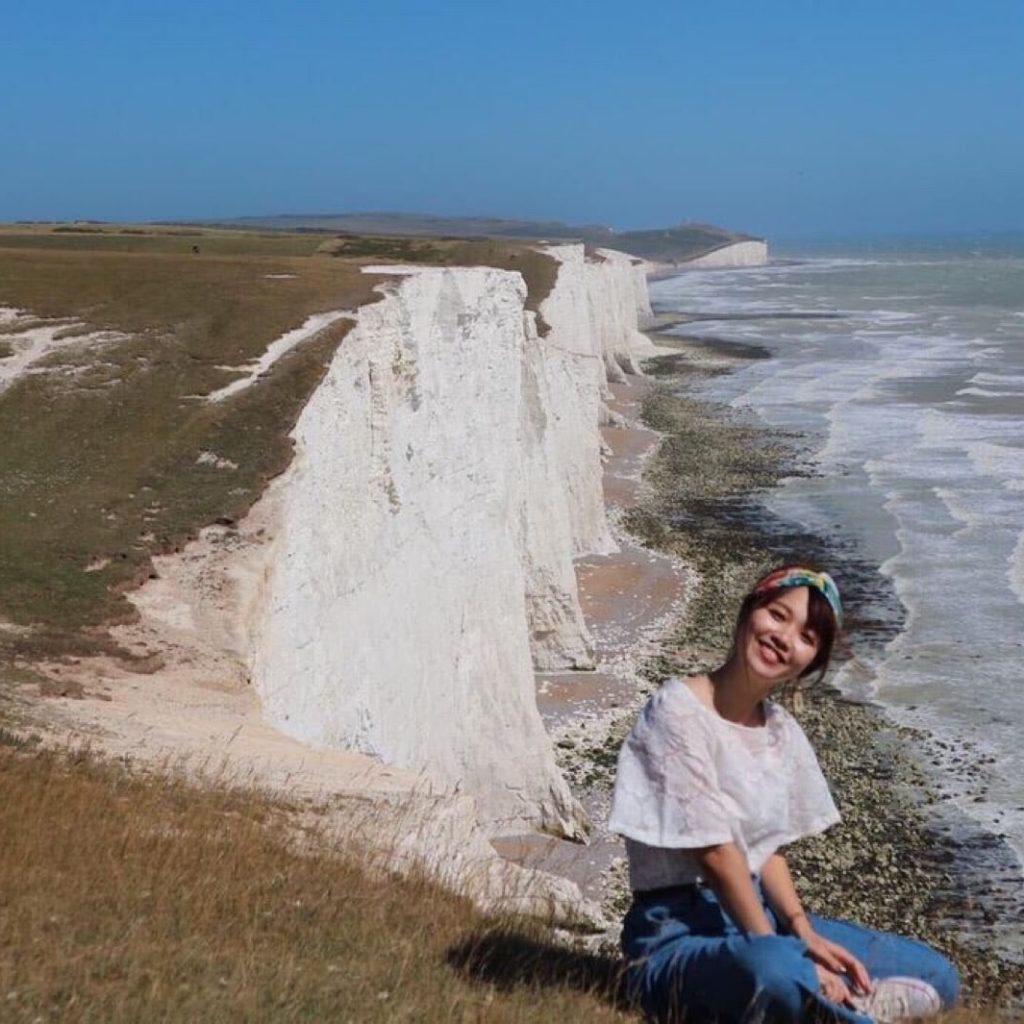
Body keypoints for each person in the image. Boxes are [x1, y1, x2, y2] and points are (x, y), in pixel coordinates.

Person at [608, 566, 960, 1023]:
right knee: (775, 971)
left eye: (807, 637)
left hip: (760, 916)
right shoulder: (675, 710)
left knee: (939, 974)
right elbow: (715, 853)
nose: (784, 638)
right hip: (674, 932)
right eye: (777, 615)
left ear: (810, 661)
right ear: (749, 611)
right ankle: (842, 1007)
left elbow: (766, 849)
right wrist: (786, 951)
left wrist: (801, 931)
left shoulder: (780, 731)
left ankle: (827, 1001)